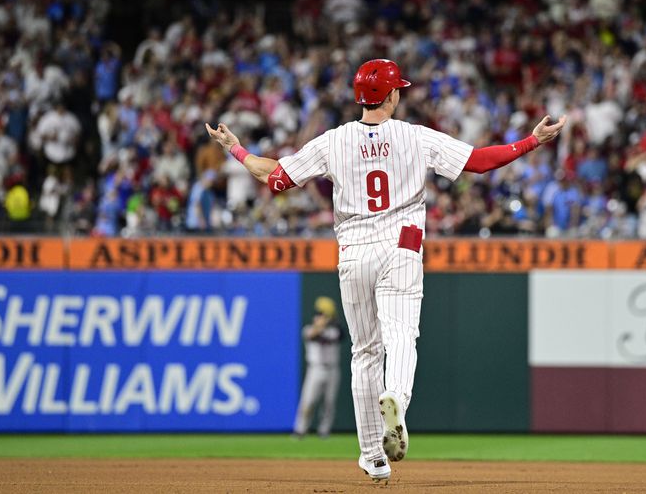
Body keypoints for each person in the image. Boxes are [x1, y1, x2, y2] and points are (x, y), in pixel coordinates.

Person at [205, 58, 565, 483]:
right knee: (401, 336)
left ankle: (373, 455)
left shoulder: (333, 141)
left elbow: (276, 179)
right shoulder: (414, 137)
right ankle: (396, 397)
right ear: (392, 95)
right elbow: (481, 162)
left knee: (364, 353)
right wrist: (531, 141)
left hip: (353, 250)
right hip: (403, 243)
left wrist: (235, 147)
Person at [292, 296, 343, 439]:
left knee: (329, 403)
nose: (320, 318)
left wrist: (329, 320)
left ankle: (324, 431)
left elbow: (341, 335)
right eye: (319, 316)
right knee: (308, 401)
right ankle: (300, 430)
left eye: (323, 316)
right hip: (315, 369)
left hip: (332, 369)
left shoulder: (333, 330)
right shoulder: (308, 330)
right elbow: (313, 336)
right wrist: (320, 325)